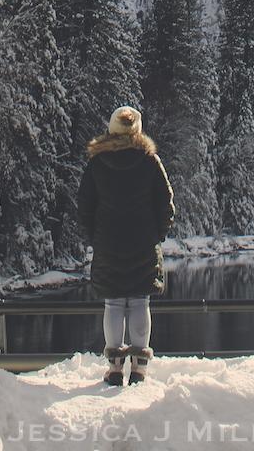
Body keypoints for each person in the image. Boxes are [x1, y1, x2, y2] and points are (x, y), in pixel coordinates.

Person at [76, 105, 175, 386]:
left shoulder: (97, 163)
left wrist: (95, 238)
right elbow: (166, 203)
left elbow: (85, 206)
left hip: (108, 244)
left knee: (114, 302)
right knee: (140, 302)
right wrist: (157, 235)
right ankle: (140, 368)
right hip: (143, 243)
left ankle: (115, 367)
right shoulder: (150, 161)